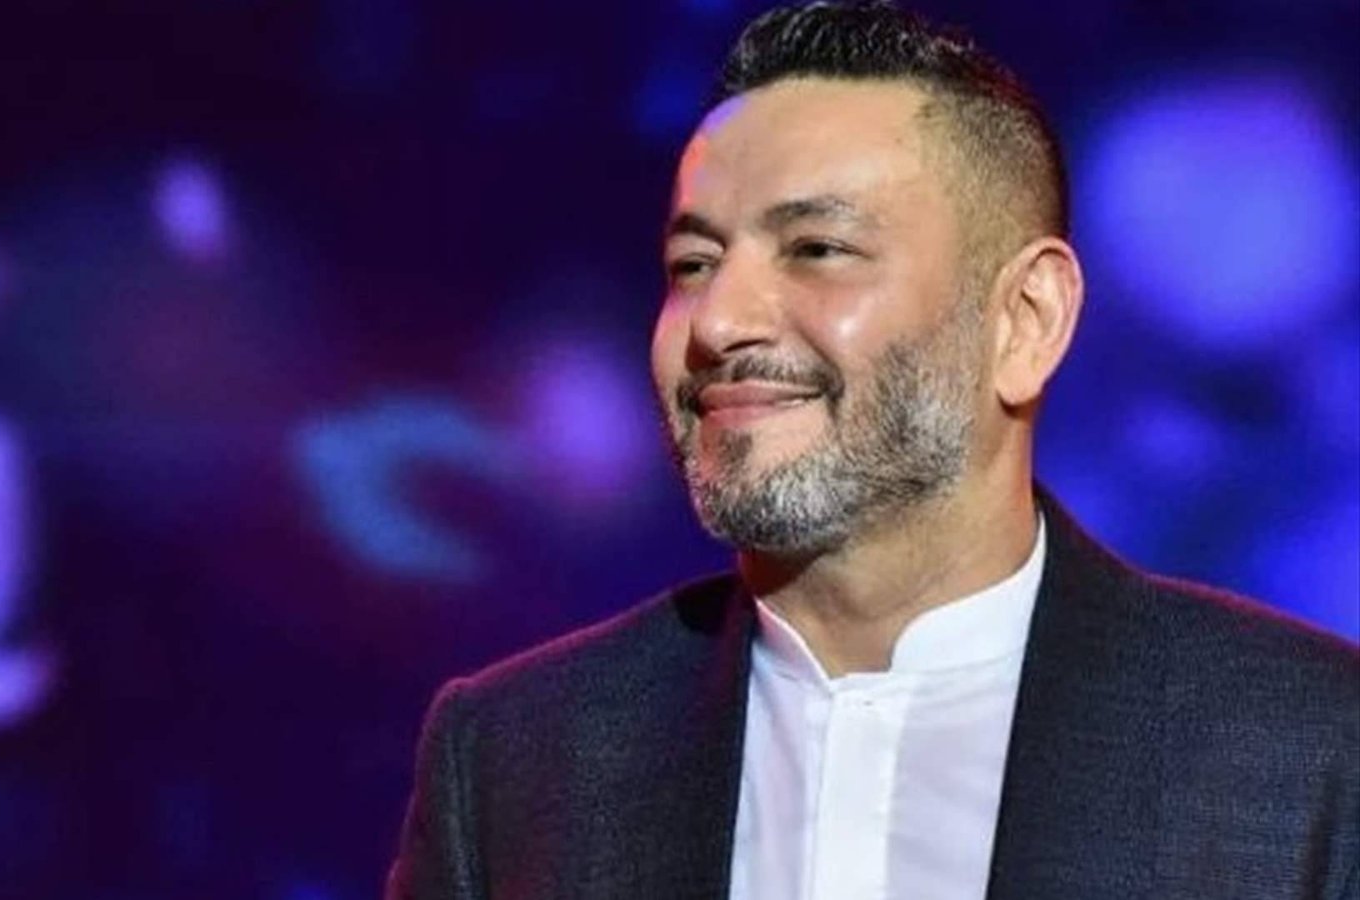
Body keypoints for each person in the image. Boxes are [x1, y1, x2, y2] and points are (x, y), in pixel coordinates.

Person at [386, 2, 1360, 898]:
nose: (717, 321)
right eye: (692, 264)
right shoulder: (518, 760)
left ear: (1025, 320)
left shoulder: (1312, 751)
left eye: (816, 250)